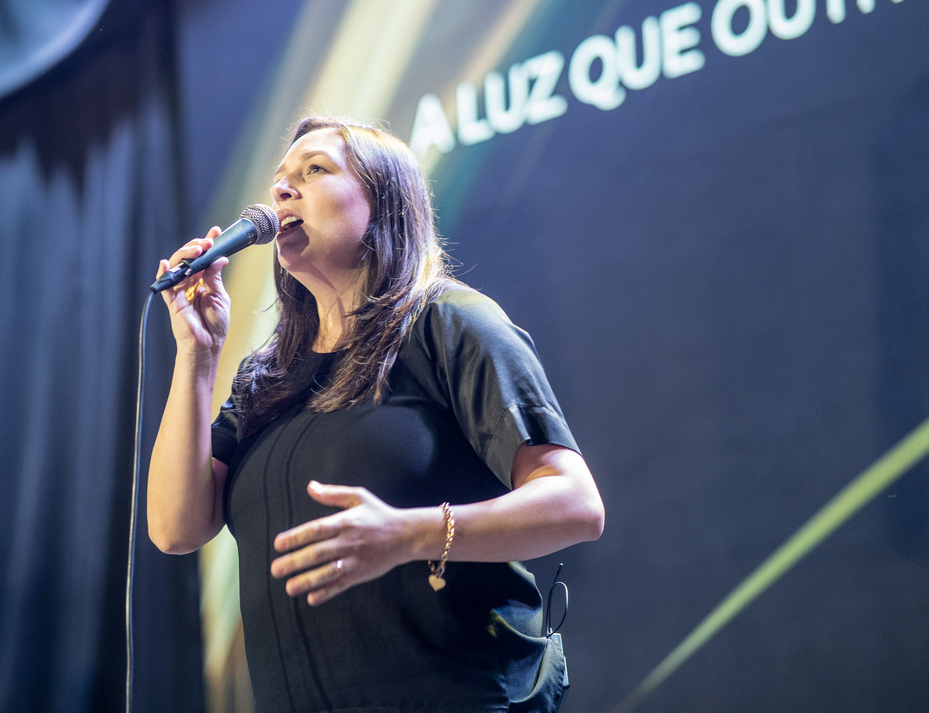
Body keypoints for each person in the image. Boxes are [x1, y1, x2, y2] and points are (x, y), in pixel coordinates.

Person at [146, 115, 605, 712]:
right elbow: (177, 528)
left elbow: (576, 504)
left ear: (384, 201)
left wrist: (408, 534)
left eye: (314, 171)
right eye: (279, 179)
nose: (282, 190)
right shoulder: (268, 375)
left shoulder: (451, 322)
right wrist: (198, 358)